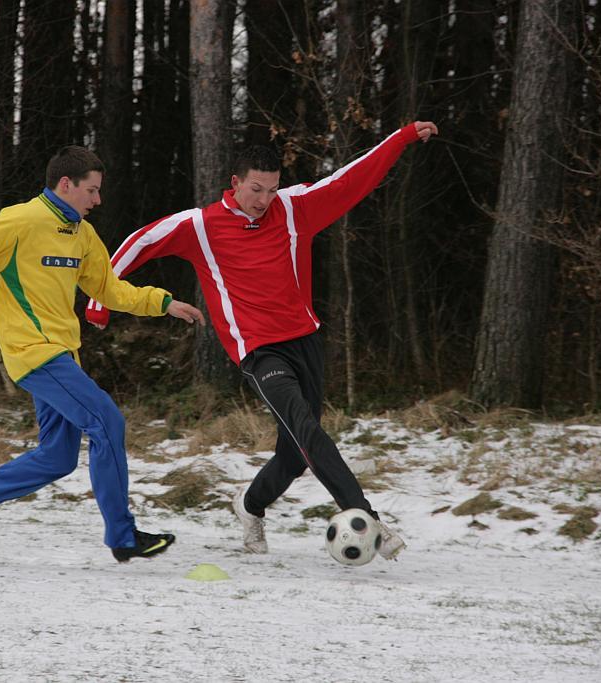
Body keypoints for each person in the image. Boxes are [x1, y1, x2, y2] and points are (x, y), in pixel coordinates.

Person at [86, 121, 439, 560]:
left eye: (272, 190)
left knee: (294, 455)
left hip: (305, 341)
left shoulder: (294, 209)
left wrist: (402, 137)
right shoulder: (200, 225)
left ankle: (250, 505)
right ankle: (368, 521)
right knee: (308, 429)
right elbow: (140, 243)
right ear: (235, 183)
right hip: (258, 351)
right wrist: (100, 302)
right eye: (256, 189)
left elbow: (351, 178)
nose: (263, 200)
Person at [0, 145, 205, 562]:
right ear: (66, 184)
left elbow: (108, 289)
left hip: (63, 355)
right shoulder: (21, 221)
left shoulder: (82, 234)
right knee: (106, 420)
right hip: (32, 353)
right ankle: (123, 535)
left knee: (58, 458)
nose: (98, 200)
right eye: (92, 191)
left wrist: (162, 302)